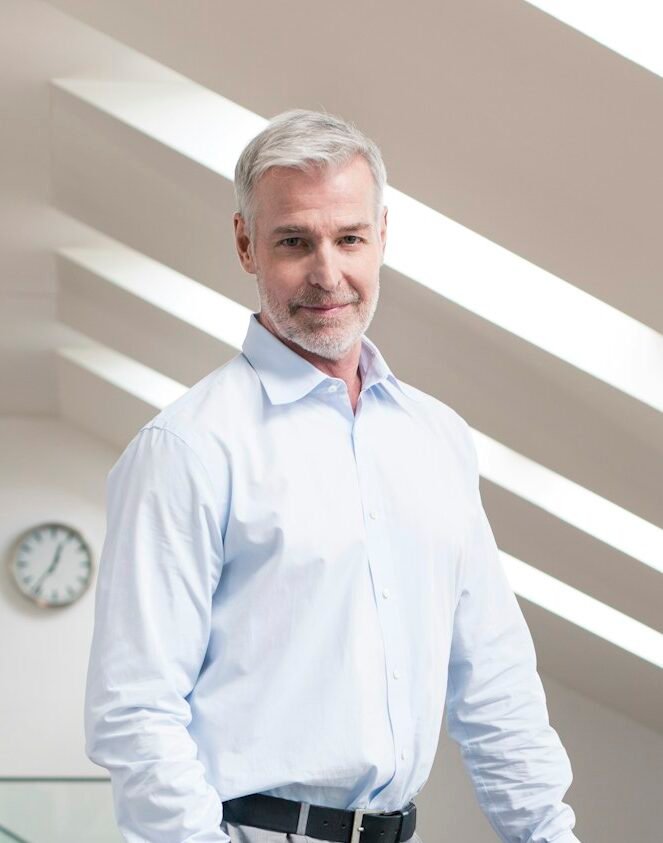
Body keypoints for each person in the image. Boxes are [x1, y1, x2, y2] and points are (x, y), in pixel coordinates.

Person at [84, 109, 581, 843]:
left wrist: (547, 833)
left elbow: (493, 680)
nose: (326, 273)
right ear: (246, 243)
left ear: (383, 236)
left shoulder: (436, 438)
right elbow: (135, 710)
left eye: (348, 238)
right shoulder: (187, 449)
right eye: (293, 241)